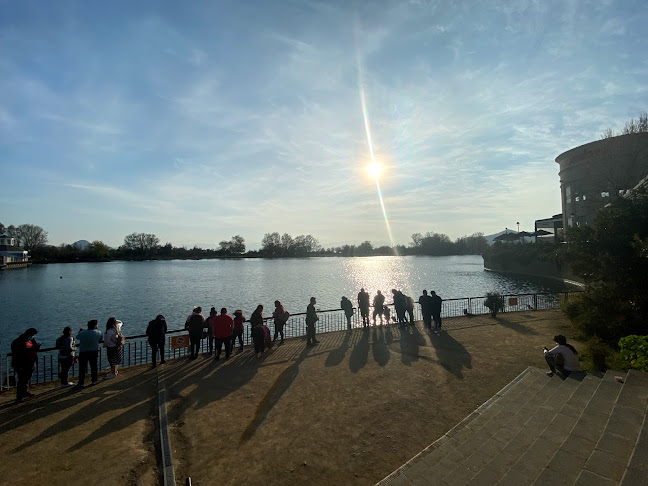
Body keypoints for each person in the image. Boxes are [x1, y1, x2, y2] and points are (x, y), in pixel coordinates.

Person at [11, 328, 40, 402]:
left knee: (26, 379)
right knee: (22, 380)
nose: (33, 337)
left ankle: (25, 392)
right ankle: (19, 397)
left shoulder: (30, 340)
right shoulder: (19, 342)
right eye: (32, 335)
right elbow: (20, 354)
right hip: (22, 364)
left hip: (29, 362)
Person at [76, 319, 102, 387]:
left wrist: (80, 331)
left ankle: (81, 382)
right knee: (94, 367)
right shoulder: (98, 333)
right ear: (95, 325)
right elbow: (101, 339)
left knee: (82, 368)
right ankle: (94, 380)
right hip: (93, 351)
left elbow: (77, 337)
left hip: (83, 352)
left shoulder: (82, 333)